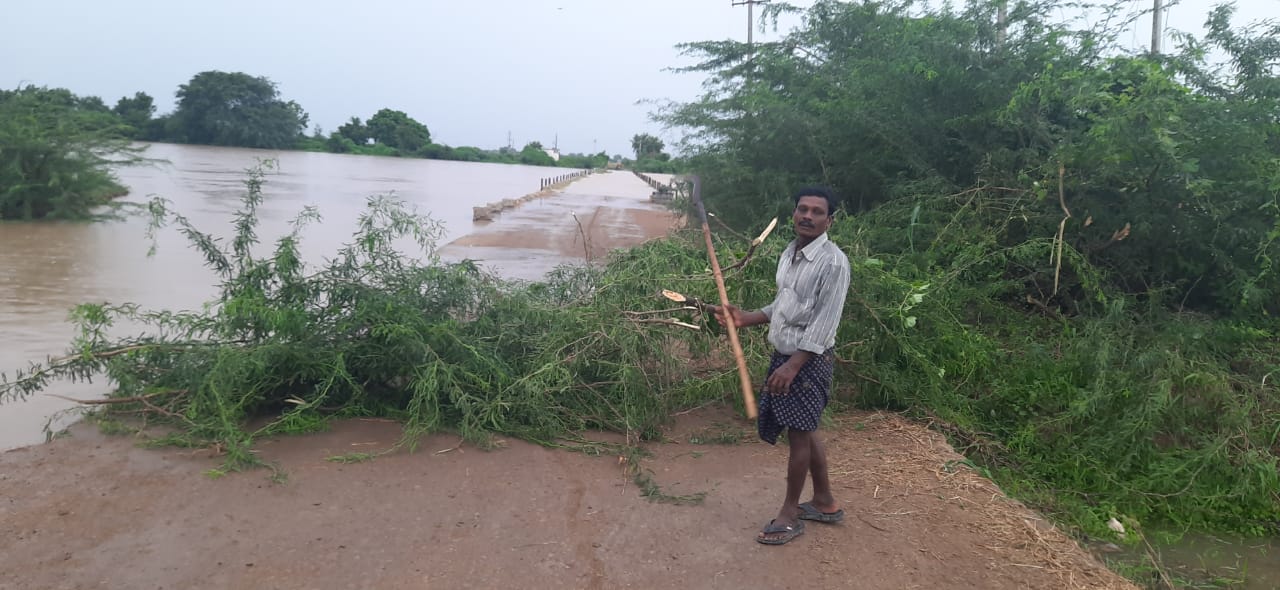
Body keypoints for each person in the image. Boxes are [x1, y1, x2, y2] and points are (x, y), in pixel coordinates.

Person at [709, 186, 851, 545]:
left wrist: (794, 365)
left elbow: (824, 322)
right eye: (802, 209)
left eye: (817, 212)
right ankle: (824, 502)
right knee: (806, 427)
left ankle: (789, 514)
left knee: (799, 434)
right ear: (794, 215)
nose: (808, 216)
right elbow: (784, 306)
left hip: (807, 361)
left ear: (829, 220)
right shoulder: (790, 252)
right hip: (785, 355)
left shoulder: (833, 263)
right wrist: (745, 318)